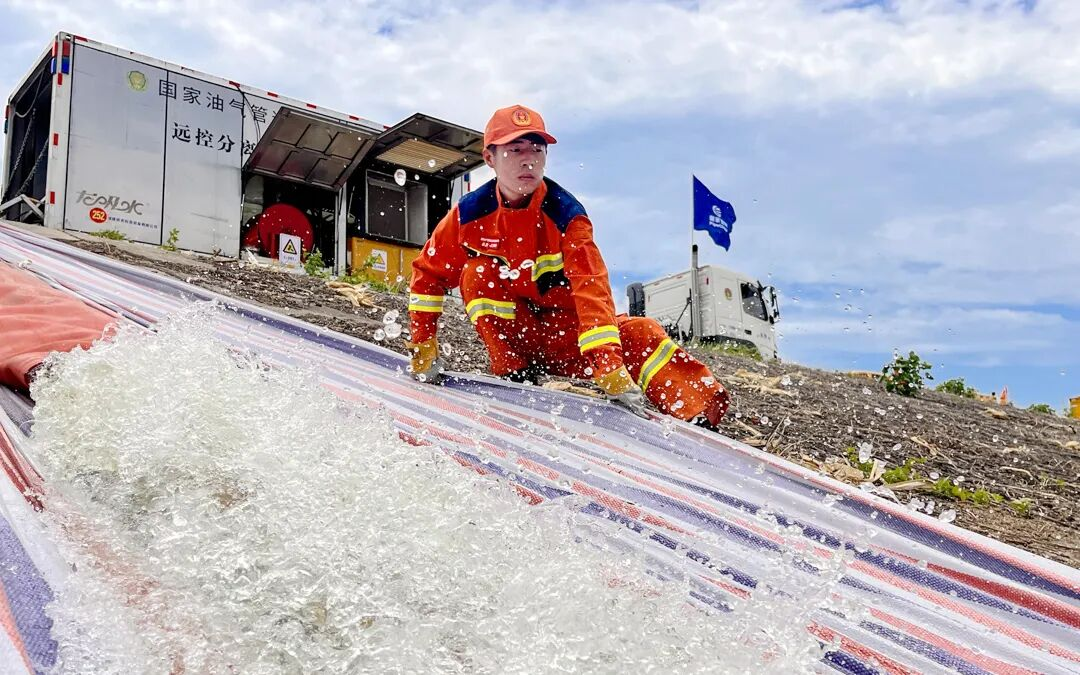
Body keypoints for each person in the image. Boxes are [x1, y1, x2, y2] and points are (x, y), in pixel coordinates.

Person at [405, 105, 729, 429]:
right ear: (490, 158)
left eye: (537, 150)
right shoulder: (469, 215)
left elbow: (593, 290)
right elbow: (427, 275)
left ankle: (700, 415)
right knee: (477, 276)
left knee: (641, 332)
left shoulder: (567, 215)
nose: (528, 160)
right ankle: (515, 375)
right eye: (515, 150)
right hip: (520, 336)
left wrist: (609, 368)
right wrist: (423, 345)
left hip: (569, 337)